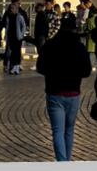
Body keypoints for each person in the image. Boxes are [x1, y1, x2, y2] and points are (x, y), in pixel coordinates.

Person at [36, 12, 91, 161]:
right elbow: (87, 71)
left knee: (57, 131)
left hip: (54, 92)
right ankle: (66, 159)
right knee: (69, 130)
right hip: (73, 92)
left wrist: (52, 72)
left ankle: (62, 162)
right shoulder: (79, 47)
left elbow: (40, 67)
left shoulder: (50, 44)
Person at [3, 0, 26, 74]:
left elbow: (24, 26)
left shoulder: (19, 17)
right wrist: (6, 35)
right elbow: (7, 27)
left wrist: (22, 35)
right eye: (11, 8)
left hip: (18, 37)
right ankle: (13, 66)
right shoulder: (9, 17)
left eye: (13, 8)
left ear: (16, 9)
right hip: (11, 36)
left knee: (17, 52)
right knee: (12, 52)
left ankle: (16, 66)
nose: (12, 10)